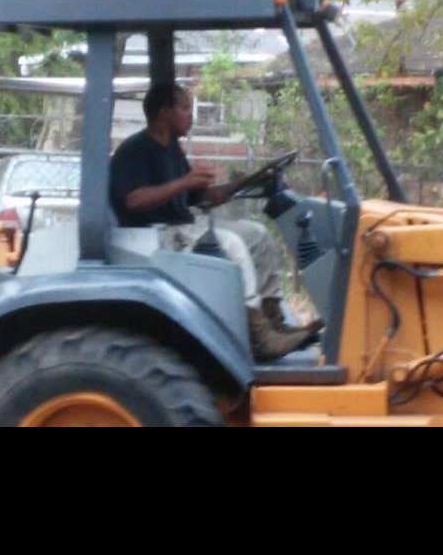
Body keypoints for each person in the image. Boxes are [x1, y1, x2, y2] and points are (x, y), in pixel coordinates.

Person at [110, 82, 323, 362]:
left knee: (259, 236)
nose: (191, 115)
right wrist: (184, 181)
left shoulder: (172, 150)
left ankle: (273, 322)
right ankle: (259, 337)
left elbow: (203, 198)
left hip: (182, 228)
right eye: (185, 108)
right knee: (232, 244)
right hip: (155, 237)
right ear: (164, 113)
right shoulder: (136, 150)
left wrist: (246, 181)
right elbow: (133, 201)